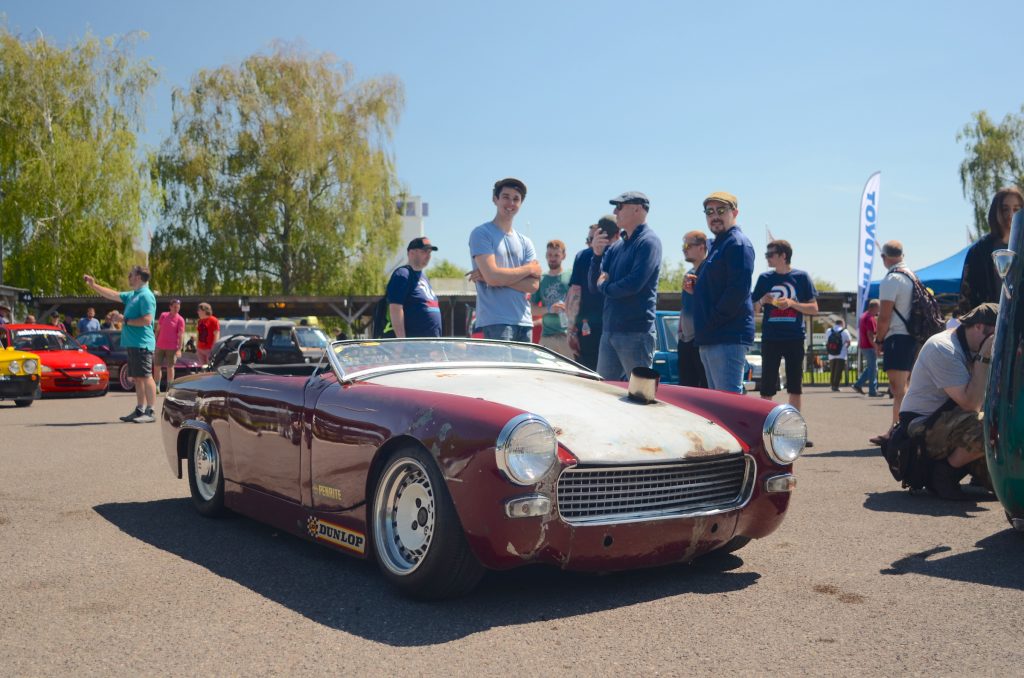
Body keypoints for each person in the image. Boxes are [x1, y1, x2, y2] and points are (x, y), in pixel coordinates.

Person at [899, 303, 997, 499]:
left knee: (1000, 484)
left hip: (953, 420)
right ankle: (944, 472)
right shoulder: (943, 348)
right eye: (997, 335)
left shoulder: (970, 346)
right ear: (979, 327)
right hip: (922, 425)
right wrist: (985, 356)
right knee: (991, 426)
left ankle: (973, 469)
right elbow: (970, 403)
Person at [588, 191, 662, 380]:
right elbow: (593, 285)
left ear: (637, 209)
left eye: (620, 207)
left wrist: (605, 286)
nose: (615, 211)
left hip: (636, 333)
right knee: (604, 394)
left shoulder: (648, 242)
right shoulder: (616, 247)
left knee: (640, 395)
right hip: (610, 331)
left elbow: (633, 284)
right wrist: (596, 255)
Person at [693, 191, 755, 393]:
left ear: (735, 212)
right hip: (712, 335)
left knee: (728, 404)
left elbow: (738, 290)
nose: (714, 216)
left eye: (721, 210)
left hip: (727, 335)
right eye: (709, 211)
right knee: (717, 405)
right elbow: (719, 284)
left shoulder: (737, 243)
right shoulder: (719, 243)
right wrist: (697, 285)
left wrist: (712, 320)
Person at [467, 178, 541, 342]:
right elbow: (493, 277)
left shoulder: (526, 242)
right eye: (506, 197)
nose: (511, 203)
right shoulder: (481, 233)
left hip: (525, 323)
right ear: (495, 199)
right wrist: (529, 269)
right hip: (495, 322)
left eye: (516, 199)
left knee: (524, 369)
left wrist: (493, 277)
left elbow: (534, 285)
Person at [83, 266, 157, 423]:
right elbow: (112, 294)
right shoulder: (133, 295)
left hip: (142, 343)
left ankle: (150, 411)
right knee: (137, 378)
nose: (129, 277)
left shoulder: (146, 296)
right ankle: (140, 409)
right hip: (133, 344)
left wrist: (124, 320)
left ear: (138, 277)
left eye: (131, 274)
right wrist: (93, 285)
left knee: (145, 376)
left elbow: (147, 320)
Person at [752, 239, 818, 408]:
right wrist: (762, 300)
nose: (767, 258)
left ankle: (794, 426)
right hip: (770, 338)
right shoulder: (764, 278)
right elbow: (753, 310)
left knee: (795, 386)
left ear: (783, 256)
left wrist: (792, 303)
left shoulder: (801, 277)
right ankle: (764, 422)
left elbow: (814, 308)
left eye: (770, 254)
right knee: (766, 386)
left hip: (794, 338)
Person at [872, 241, 916, 442]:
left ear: (885, 257)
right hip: (911, 336)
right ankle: (900, 428)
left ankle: (898, 431)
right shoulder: (911, 276)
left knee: (898, 388)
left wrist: (878, 339)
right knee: (903, 387)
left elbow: (884, 317)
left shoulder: (892, 279)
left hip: (897, 337)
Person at [958, 186, 1023, 314]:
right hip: (991, 325)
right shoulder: (980, 251)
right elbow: (967, 296)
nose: (1011, 215)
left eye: (1017, 209)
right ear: (996, 212)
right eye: (1005, 209)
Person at [566, 219, 618, 371]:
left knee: (589, 379)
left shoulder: (583, 256)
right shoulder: (622, 253)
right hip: (613, 327)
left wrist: (570, 330)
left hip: (589, 327)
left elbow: (574, 294)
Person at [387, 236, 443, 338]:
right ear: (411, 253)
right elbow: (395, 308)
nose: (428, 256)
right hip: (414, 348)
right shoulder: (403, 274)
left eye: (430, 252)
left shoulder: (424, 277)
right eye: (424, 252)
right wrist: (401, 342)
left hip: (432, 347)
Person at [532, 239, 573, 358]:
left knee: (571, 375)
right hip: (546, 338)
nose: (552, 258)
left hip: (568, 337)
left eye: (556, 255)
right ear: (545, 256)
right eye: (550, 255)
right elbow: (532, 309)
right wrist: (549, 309)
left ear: (564, 256)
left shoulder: (571, 275)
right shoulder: (541, 279)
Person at [678, 230, 709, 388]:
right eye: (683, 245)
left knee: (705, 389)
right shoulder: (689, 274)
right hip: (686, 340)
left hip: (702, 340)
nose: (684, 249)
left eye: (688, 245)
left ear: (702, 247)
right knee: (686, 389)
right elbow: (685, 307)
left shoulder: (709, 271)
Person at [852, 300, 882, 397]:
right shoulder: (870, 318)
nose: (879, 310)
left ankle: (858, 384)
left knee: (871, 367)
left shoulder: (863, 316)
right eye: (879, 308)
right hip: (869, 346)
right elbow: (870, 335)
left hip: (864, 345)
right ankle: (872, 391)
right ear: (874, 308)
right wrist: (876, 347)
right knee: (873, 368)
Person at [154, 299, 186, 389]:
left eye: (178, 307)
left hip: (172, 347)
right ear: (170, 307)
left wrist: (179, 349)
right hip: (160, 345)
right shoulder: (163, 315)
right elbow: (158, 330)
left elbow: (181, 335)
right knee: (157, 366)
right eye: (175, 307)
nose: (176, 309)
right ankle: (157, 385)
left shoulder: (180, 320)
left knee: (170, 367)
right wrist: (154, 342)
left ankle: (170, 386)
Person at [826, 318, 852, 392]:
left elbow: (827, 341)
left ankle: (832, 385)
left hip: (831, 354)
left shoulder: (829, 331)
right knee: (838, 371)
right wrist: (846, 347)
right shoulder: (845, 331)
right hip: (841, 354)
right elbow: (849, 342)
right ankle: (836, 386)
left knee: (833, 370)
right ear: (842, 323)